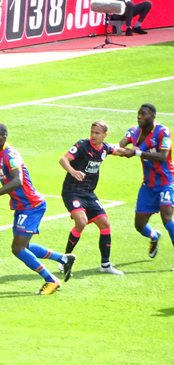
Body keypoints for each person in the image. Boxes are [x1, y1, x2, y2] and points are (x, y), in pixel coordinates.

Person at [0, 123, 76, 295]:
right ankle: (64, 259)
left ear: (4, 137)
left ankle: (51, 280)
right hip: (22, 206)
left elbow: (17, 181)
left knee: (18, 249)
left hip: (31, 205)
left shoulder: (10, 155)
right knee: (24, 247)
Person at [59, 121, 126, 275]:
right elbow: (63, 160)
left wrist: (134, 151)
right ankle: (64, 260)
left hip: (89, 193)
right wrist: (72, 171)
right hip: (72, 191)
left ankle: (105, 265)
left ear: (104, 135)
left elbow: (117, 150)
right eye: (92, 132)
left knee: (105, 224)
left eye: (97, 133)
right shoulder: (82, 146)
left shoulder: (104, 148)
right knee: (81, 222)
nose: (94, 135)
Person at [118, 104, 174, 261]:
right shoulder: (134, 131)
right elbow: (121, 145)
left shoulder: (163, 132)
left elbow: (163, 156)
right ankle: (154, 236)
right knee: (139, 226)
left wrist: (136, 152)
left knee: (167, 218)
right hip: (148, 186)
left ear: (153, 116)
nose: (139, 116)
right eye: (138, 114)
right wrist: (112, 149)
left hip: (166, 181)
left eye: (143, 114)